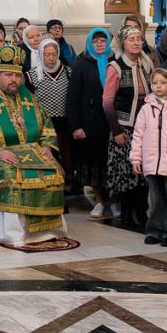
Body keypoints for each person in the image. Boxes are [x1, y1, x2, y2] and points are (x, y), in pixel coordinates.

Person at [0, 44, 68, 247]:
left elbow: (46, 124)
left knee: (54, 172)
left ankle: (48, 230)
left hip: (33, 153)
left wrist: (47, 146)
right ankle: (13, 234)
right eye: (9, 75)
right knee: (12, 176)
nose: (14, 80)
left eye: (17, 76)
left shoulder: (29, 98)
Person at [104, 25, 152, 226]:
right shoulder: (115, 67)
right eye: (131, 39)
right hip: (124, 128)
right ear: (123, 43)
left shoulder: (146, 64)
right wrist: (117, 131)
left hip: (145, 128)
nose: (136, 43)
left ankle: (142, 213)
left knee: (143, 173)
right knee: (127, 174)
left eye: (139, 39)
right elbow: (107, 102)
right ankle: (127, 215)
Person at [131, 69, 167, 247]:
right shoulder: (146, 109)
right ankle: (154, 230)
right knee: (156, 200)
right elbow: (138, 135)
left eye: (163, 83)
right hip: (152, 163)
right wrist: (136, 158)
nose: (158, 86)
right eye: (155, 83)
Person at [66, 29, 113, 216]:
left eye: (103, 40)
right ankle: (99, 202)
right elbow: (72, 99)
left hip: (112, 123)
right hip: (91, 124)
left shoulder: (114, 62)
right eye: (96, 41)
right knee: (95, 166)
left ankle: (114, 201)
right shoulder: (81, 64)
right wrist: (76, 126)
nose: (100, 44)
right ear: (89, 44)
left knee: (111, 164)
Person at [29, 39, 73, 181]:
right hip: (43, 125)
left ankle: (67, 182)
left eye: (54, 54)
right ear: (41, 54)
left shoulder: (68, 71)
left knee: (65, 155)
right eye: (47, 54)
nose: (51, 58)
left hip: (64, 124)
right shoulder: (32, 75)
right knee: (47, 155)